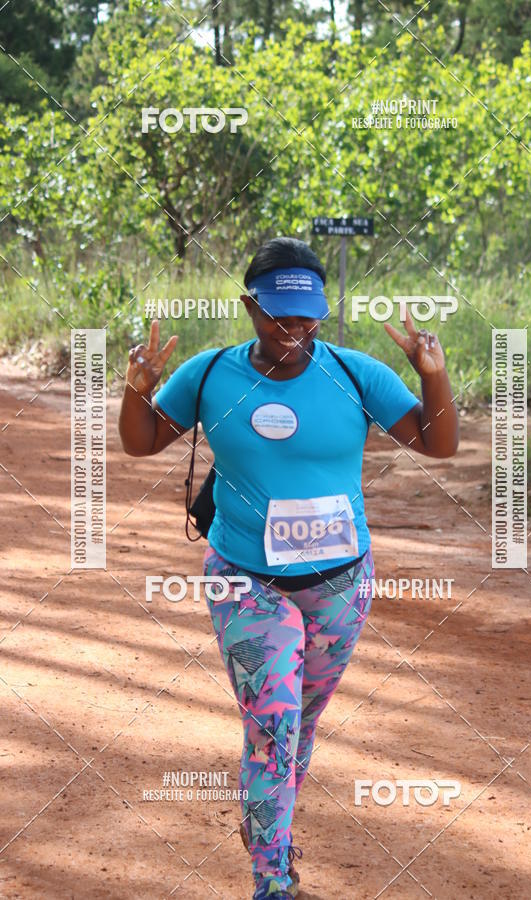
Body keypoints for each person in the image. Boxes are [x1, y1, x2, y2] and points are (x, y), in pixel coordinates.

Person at [119, 237, 459, 900]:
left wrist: (432, 374)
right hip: (245, 578)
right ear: (250, 307)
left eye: (307, 316)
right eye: (278, 315)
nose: (294, 329)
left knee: (295, 728)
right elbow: (141, 442)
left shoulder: (356, 374)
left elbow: (438, 445)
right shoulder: (212, 374)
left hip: (339, 585)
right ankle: (272, 881)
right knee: (274, 722)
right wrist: (138, 390)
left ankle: (266, 819)